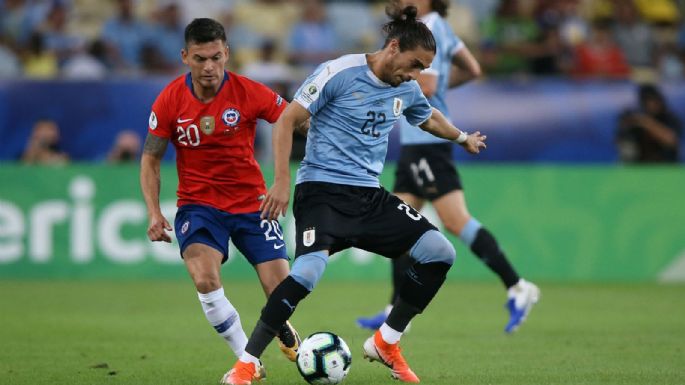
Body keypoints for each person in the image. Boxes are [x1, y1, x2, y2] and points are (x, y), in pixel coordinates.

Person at [222, 6, 487, 385]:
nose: (416, 76)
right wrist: (281, 181)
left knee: (440, 252)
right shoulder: (339, 72)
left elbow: (426, 115)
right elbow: (286, 120)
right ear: (393, 47)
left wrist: (462, 137)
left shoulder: (407, 87)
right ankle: (245, 365)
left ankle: (386, 342)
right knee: (307, 274)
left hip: (369, 197)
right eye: (414, 64)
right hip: (322, 192)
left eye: (422, 69)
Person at [357, 0, 540, 335]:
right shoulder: (436, 27)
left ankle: (518, 286)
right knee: (400, 224)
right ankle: (394, 308)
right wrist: (436, 89)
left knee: (456, 221)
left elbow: (426, 86)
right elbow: (472, 69)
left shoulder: (430, 30)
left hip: (429, 141)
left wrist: (413, 89)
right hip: (418, 143)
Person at [139, 18, 302, 382]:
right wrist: (153, 211)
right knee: (205, 280)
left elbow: (292, 119)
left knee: (282, 291)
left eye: (215, 57)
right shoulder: (169, 99)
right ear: (185, 57)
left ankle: (280, 324)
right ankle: (249, 361)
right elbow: (150, 157)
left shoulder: (249, 91)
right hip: (198, 206)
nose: (209, 67)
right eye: (200, 59)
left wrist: (281, 179)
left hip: (252, 203)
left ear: (227, 53)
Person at [616, 84, 682, 163]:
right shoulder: (635, 118)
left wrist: (647, 123)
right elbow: (621, 143)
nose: (652, 104)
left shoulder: (669, 118)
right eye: (648, 101)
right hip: (640, 167)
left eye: (655, 100)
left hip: (666, 167)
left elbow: (671, 141)